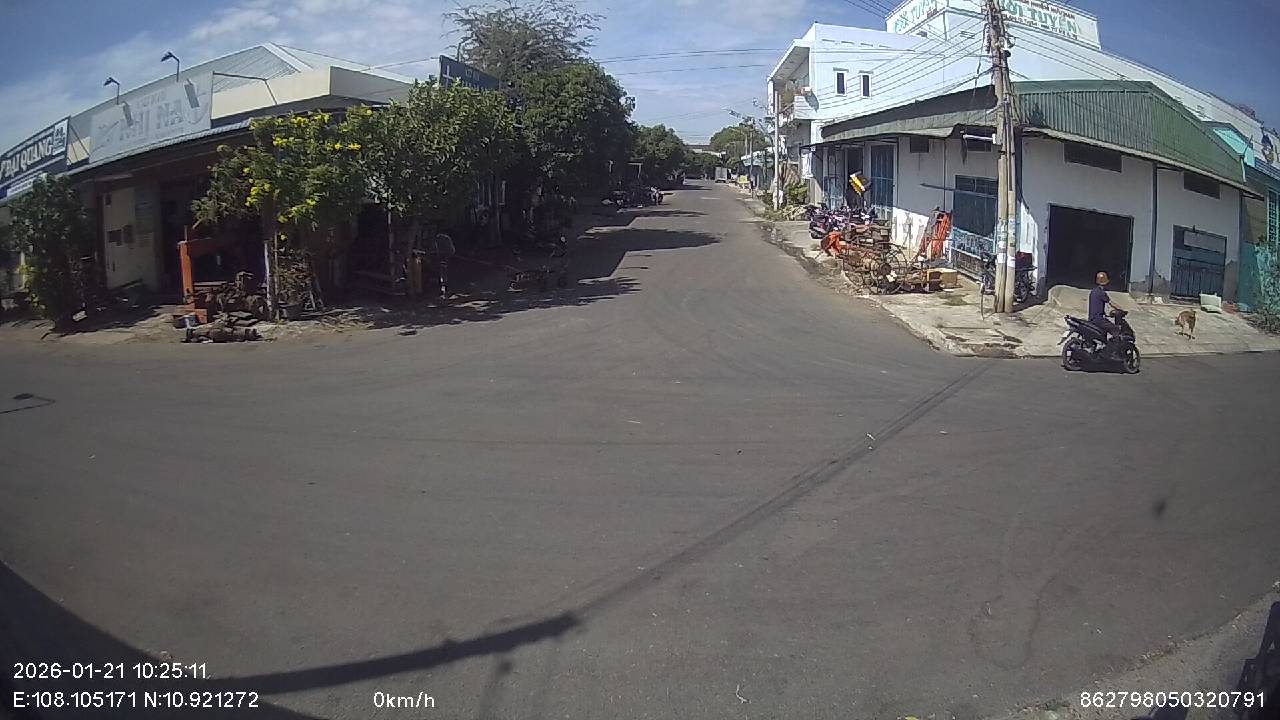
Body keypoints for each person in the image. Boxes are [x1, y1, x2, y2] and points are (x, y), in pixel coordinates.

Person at [1088, 271, 1120, 351]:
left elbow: (1097, 306)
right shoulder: (1101, 293)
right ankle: (1113, 350)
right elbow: (1111, 303)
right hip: (1098, 320)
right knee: (1115, 329)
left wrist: (1106, 314)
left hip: (1092, 319)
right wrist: (1121, 309)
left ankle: (1102, 347)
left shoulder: (1093, 291)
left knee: (1105, 328)